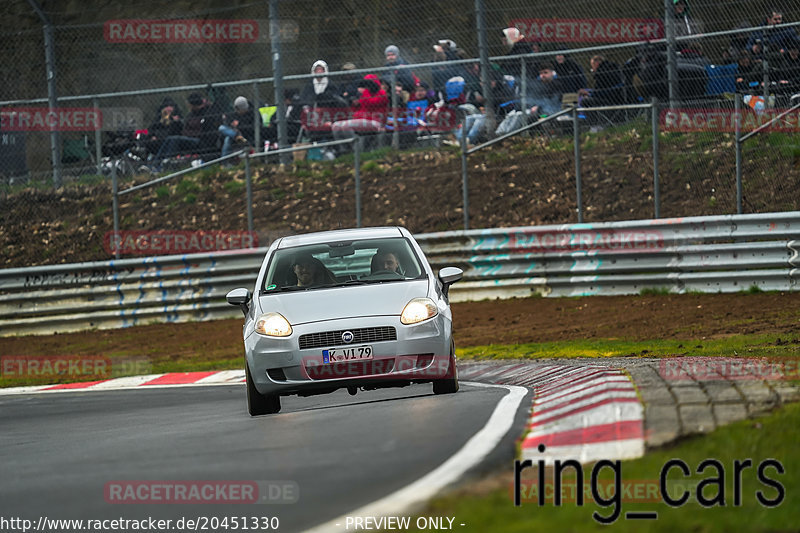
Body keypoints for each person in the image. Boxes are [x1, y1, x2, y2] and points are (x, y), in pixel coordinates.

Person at [150, 92, 222, 171]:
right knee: (170, 139)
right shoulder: (190, 115)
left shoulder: (207, 113)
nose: (168, 109)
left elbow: (201, 131)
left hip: (200, 141)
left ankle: (163, 165)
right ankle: (154, 165)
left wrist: (186, 132)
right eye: (166, 107)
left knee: (175, 140)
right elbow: (149, 129)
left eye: (170, 106)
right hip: (185, 138)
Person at [331, 74, 389, 147]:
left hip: (375, 122)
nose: (366, 87)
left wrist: (365, 92)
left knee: (346, 126)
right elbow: (357, 111)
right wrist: (354, 104)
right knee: (335, 125)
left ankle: (357, 149)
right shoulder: (365, 94)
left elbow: (371, 104)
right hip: (362, 120)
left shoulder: (382, 93)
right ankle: (344, 149)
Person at [300, 60, 347, 142]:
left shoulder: (331, 85)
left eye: (321, 69)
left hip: (328, 114)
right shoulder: (309, 85)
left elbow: (335, 100)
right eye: (317, 70)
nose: (319, 72)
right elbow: (305, 99)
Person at [218, 96, 255, 161]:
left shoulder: (251, 114)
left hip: (245, 135)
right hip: (235, 135)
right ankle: (236, 136)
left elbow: (251, 129)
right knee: (221, 128)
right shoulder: (234, 114)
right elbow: (229, 122)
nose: (238, 111)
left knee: (228, 139)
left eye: (240, 109)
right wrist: (233, 127)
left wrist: (239, 126)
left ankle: (223, 162)